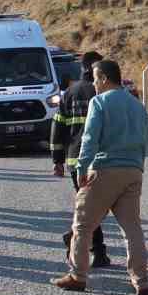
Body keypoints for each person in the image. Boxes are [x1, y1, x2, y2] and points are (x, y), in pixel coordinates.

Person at [52, 59, 148, 295]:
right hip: (133, 170)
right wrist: (139, 167)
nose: (94, 84)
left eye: (96, 79)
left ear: (105, 79)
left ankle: (77, 275)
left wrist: (82, 168)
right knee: (132, 228)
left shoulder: (99, 102)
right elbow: (144, 140)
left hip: (105, 169)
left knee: (83, 225)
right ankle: (141, 280)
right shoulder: (138, 105)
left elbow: (90, 139)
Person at [51, 51, 112, 270]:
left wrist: (57, 160)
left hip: (76, 161)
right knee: (99, 207)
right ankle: (93, 248)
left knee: (89, 206)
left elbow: (57, 128)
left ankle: (89, 245)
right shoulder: (106, 94)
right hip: (102, 160)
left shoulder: (70, 92)